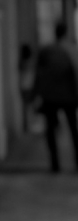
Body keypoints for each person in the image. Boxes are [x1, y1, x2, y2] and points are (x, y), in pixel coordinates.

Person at [33, 22, 78, 172]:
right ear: (66, 33)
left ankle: (55, 164)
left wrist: (35, 94)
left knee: (51, 131)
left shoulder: (46, 50)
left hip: (50, 96)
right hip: (69, 96)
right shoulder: (72, 49)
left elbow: (39, 74)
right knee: (73, 130)